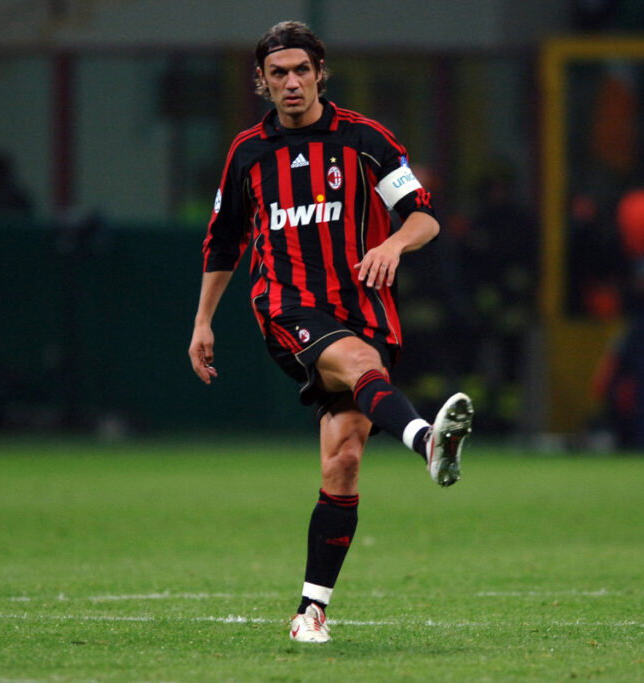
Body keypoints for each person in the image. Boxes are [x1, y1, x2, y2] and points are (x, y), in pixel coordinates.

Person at [187, 21, 474, 644]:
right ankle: (427, 442)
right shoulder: (247, 153)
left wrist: (395, 244)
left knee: (343, 461)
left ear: (320, 73)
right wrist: (203, 321)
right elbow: (224, 241)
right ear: (261, 83)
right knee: (355, 358)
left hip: (366, 305)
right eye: (277, 73)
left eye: (300, 70)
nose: (291, 82)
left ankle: (309, 610)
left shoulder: (366, 140)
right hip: (287, 306)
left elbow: (423, 216)